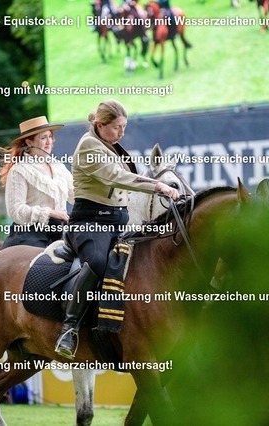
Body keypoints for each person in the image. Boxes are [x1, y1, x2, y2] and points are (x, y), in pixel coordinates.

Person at [55, 100, 179, 359]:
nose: (121, 133)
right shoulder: (89, 146)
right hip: (90, 223)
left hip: (119, 224)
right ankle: (70, 329)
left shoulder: (110, 145)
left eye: (124, 127)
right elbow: (117, 177)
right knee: (98, 262)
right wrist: (157, 186)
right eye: (116, 127)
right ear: (100, 125)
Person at [0, 116, 74, 249]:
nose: (49, 142)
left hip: (61, 232)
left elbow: (76, 194)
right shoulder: (19, 170)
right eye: (43, 138)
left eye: (50, 137)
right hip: (30, 235)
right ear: (29, 142)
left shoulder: (59, 167)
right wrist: (50, 213)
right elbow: (15, 210)